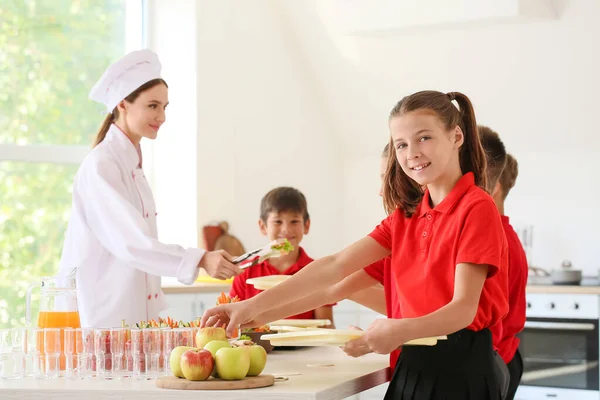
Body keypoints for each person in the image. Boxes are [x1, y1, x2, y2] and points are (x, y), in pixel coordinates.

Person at [202, 90, 509, 399]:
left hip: (462, 371)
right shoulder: (405, 218)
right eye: (401, 144)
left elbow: (463, 310)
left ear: (456, 136)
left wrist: (398, 330)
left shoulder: (476, 207)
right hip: (412, 365)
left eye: (424, 138)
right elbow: (334, 269)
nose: (411, 153)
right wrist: (254, 309)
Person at [58, 49, 240, 328]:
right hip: (103, 319)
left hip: (130, 320)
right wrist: (201, 258)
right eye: (153, 106)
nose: (162, 116)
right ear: (123, 104)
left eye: (165, 107)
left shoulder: (131, 165)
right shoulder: (102, 166)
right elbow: (133, 243)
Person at [234, 145, 400, 369]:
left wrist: (383, 335)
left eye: (294, 222)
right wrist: (255, 314)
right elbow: (336, 278)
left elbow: (336, 283)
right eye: (382, 179)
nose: (381, 191)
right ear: (263, 226)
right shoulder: (393, 230)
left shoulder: (427, 227)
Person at [229, 187, 335, 325]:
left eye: (294, 221)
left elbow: (325, 325)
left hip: (306, 346)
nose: (286, 229)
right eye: (278, 222)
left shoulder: (317, 270)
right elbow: (233, 321)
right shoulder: (245, 271)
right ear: (263, 226)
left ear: (306, 225)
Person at [480, 127, 527, 400]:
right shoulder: (502, 234)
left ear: (493, 187)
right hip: (504, 358)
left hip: (497, 360)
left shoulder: (495, 239)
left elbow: (487, 321)